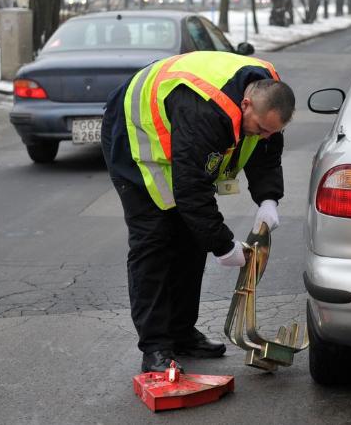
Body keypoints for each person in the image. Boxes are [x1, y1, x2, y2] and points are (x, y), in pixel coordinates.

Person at [100, 51, 296, 373]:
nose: (263, 137)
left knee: (190, 238)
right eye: (260, 128)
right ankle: (155, 348)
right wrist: (223, 244)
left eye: (271, 132)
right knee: (154, 241)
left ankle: (181, 332)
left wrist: (269, 199)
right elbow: (191, 190)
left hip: (181, 144)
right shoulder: (206, 111)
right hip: (135, 140)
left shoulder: (267, 96)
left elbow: (266, 152)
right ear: (246, 104)